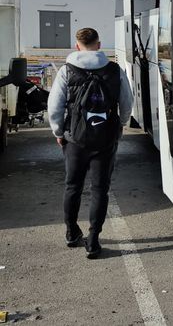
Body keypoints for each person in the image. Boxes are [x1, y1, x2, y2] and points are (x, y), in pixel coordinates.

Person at [48, 28, 133, 259]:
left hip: (75, 138)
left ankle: (71, 232)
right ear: (98, 44)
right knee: (100, 190)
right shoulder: (114, 70)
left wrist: (58, 131)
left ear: (77, 46)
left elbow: (54, 105)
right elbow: (127, 101)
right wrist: (121, 124)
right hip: (105, 139)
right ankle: (93, 240)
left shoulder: (67, 70)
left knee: (72, 186)